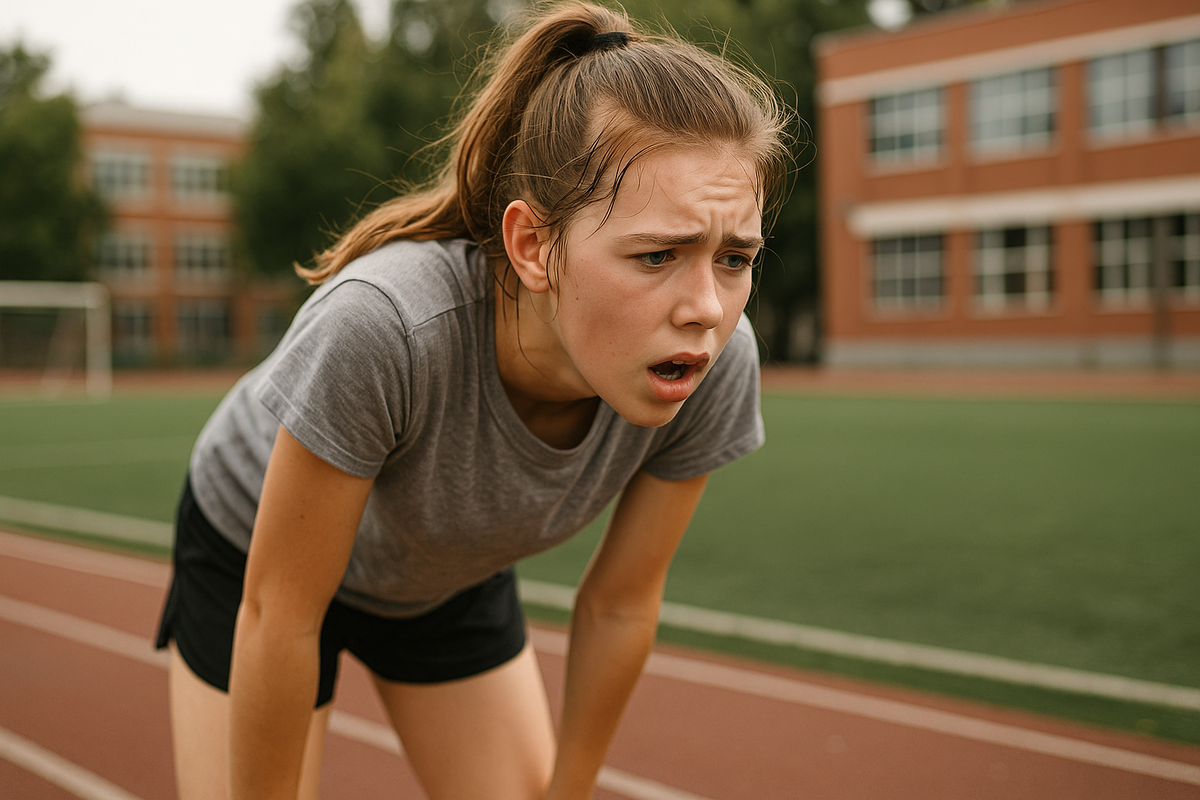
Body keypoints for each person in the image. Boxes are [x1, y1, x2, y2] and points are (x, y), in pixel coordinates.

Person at [155, 2, 791, 798]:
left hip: (443, 574)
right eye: (658, 253)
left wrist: (572, 789)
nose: (705, 306)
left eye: (734, 257)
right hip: (254, 563)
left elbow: (620, 605)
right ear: (533, 246)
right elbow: (280, 616)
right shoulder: (384, 327)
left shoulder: (715, 362)